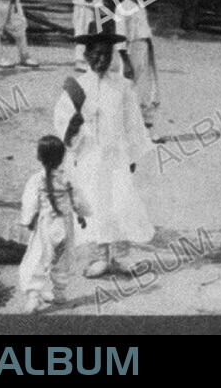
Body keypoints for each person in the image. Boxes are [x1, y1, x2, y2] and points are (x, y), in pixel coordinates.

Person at [53, 27, 154, 278]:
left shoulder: (122, 86)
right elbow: (62, 121)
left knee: (121, 203)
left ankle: (120, 257)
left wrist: (132, 156)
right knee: (96, 204)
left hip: (117, 156)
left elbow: (133, 123)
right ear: (86, 56)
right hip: (89, 157)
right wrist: (72, 126)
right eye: (96, 55)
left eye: (106, 55)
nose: (101, 60)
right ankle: (100, 257)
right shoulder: (76, 87)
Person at [18, 134, 89, 313]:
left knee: (38, 259)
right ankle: (59, 294)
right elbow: (79, 201)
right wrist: (82, 214)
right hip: (64, 226)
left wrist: (28, 220)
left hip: (45, 226)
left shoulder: (36, 180)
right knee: (62, 259)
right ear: (63, 157)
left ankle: (34, 297)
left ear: (39, 157)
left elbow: (30, 203)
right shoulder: (68, 179)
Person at [112, 0, 159, 130]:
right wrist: (125, 62)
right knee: (126, 87)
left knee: (146, 87)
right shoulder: (121, 8)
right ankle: (120, 126)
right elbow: (120, 37)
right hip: (130, 49)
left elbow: (144, 30)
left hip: (145, 46)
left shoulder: (140, 5)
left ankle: (146, 126)